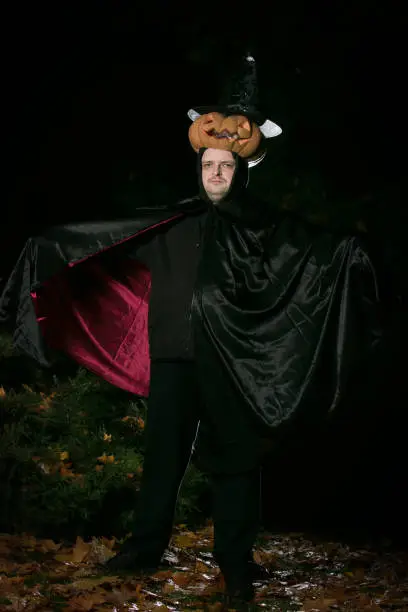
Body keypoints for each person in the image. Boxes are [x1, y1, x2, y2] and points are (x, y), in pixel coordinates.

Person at [0, 54, 383, 609]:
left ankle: (235, 561)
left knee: (235, 460)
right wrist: (45, 249)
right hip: (173, 359)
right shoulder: (170, 226)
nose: (218, 175)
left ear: (242, 171)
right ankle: (144, 548)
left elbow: (314, 251)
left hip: (229, 361)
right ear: (198, 169)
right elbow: (102, 241)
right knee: (163, 457)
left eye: (227, 167)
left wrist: (348, 255)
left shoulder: (261, 230)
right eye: (210, 167)